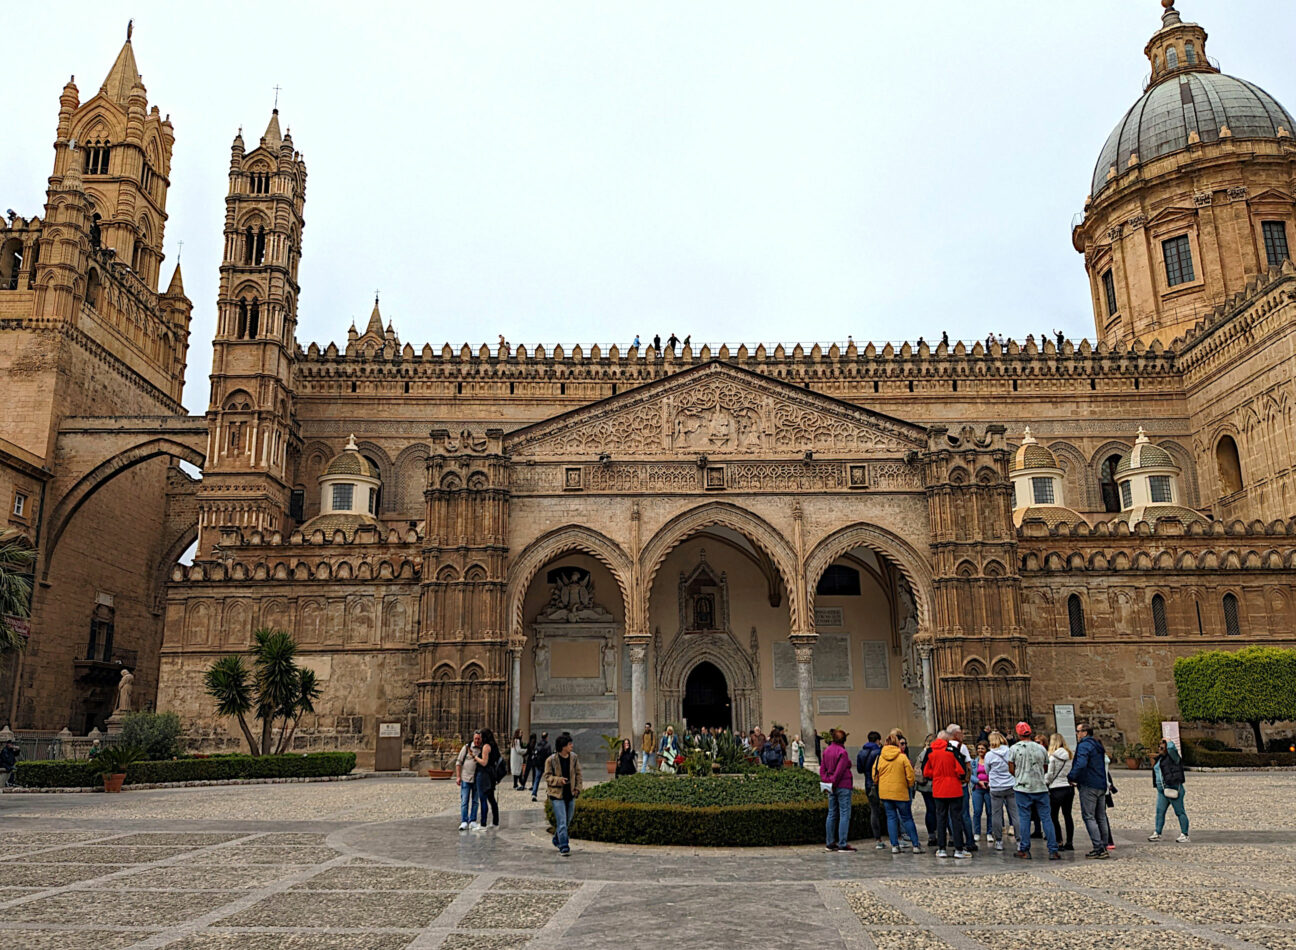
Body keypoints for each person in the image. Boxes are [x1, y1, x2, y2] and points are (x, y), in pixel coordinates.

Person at [1007, 722, 1059, 860]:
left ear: (1018, 734)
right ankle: (1053, 850)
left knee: (1024, 818)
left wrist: (1019, 775)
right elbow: (1046, 767)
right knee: (1046, 818)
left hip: (1022, 787)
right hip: (1040, 786)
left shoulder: (1014, 748)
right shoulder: (1040, 748)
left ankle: (1024, 849)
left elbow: (1011, 768)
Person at [873, 733, 924, 854]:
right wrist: (909, 785)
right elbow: (910, 776)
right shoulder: (902, 757)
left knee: (891, 818)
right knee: (907, 818)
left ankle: (894, 845)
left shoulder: (879, 758)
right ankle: (916, 845)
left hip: (885, 793)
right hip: (901, 792)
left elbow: (874, 776)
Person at [1068, 721, 1111, 859]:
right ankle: (1104, 845)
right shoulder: (1097, 745)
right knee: (1101, 816)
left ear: (1085, 732)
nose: (1077, 734)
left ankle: (1098, 847)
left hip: (1089, 784)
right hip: (1101, 783)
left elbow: (1081, 763)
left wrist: (1072, 776)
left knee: (1089, 816)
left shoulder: (1084, 745)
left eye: (1078, 731)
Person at [923, 733, 969, 858]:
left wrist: (936, 774)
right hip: (954, 788)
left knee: (940, 818)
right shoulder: (952, 751)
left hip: (938, 789)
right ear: (947, 740)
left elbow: (926, 772)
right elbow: (961, 771)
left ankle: (942, 848)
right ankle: (958, 849)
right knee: (956, 818)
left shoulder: (930, 751)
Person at [544, 734, 583, 856]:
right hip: (556, 795)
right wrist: (558, 780)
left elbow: (578, 774)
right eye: (569, 744)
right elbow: (547, 776)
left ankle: (557, 838)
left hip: (570, 794)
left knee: (567, 820)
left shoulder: (574, 758)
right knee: (562, 821)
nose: (572, 746)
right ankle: (564, 846)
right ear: (563, 746)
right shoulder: (551, 760)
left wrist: (577, 788)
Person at [1149, 738, 1190, 843]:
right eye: (1159, 746)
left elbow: (1171, 748)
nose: (1160, 749)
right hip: (1162, 790)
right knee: (1160, 811)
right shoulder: (1160, 759)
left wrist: (1168, 740)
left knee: (1179, 811)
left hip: (1173, 788)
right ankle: (1157, 832)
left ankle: (1185, 834)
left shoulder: (1174, 758)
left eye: (1162, 747)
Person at [820, 728, 855, 852]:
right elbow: (840, 771)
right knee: (844, 814)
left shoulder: (827, 750)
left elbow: (822, 768)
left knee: (831, 813)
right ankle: (842, 843)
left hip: (830, 786)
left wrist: (827, 781)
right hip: (843, 785)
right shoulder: (842, 752)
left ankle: (829, 842)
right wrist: (834, 781)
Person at [945, 724, 978, 852]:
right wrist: (967, 780)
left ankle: (955, 839)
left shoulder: (944, 747)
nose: (963, 735)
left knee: (950, 814)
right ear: (955, 734)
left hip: (948, 785)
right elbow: (968, 766)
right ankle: (969, 841)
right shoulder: (961, 747)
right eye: (961, 733)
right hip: (961, 785)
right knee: (964, 814)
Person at [985, 731, 1016, 850]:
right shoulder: (1010, 751)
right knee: (1014, 814)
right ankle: (1019, 840)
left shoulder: (989, 755)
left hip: (996, 787)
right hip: (1010, 785)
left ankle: (998, 841)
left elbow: (988, 771)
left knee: (996, 814)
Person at [1045, 733, 1075, 851]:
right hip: (1068, 787)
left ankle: (1059, 841)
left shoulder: (1052, 757)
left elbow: (1050, 774)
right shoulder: (1070, 755)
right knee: (1067, 815)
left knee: (1054, 816)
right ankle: (1070, 841)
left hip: (1056, 788)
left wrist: (1046, 782)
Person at [856, 731, 886, 850]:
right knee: (889, 810)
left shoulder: (861, 752)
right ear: (878, 740)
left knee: (874, 811)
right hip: (881, 783)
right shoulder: (879, 752)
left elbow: (859, 770)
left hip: (868, 783)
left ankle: (877, 838)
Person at [472, 728, 501, 830]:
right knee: (492, 799)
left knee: (483, 799)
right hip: (491, 775)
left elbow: (484, 762)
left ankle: (483, 824)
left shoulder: (486, 747)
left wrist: (475, 757)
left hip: (484, 775)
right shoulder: (494, 746)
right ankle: (495, 822)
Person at [914, 734, 938, 847]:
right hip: (933, 784)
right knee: (938, 810)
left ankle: (931, 835)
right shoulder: (933, 753)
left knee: (930, 809)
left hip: (924, 786)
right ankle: (937, 833)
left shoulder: (922, 753)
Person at [455, 732, 481, 831]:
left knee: (475, 801)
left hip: (477, 779)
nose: (477, 741)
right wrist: (458, 777)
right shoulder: (466, 748)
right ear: (473, 739)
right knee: (464, 801)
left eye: (479, 739)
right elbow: (458, 762)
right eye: (476, 739)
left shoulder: (482, 749)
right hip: (466, 778)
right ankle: (464, 821)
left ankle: (473, 820)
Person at [971, 741, 991, 844]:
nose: (980, 750)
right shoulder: (974, 762)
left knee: (989, 812)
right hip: (977, 789)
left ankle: (989, 832)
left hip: (988, 789)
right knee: (977, 811)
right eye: (978, 748)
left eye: (982, 748)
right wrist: (978, 781)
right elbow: (970, 775)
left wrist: (989, 782)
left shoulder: (990, 761)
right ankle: (977, 832)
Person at [529, 732, 551, 800]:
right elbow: (549, 755)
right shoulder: (548, 745)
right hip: (545, 765)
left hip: (538, 765)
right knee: (549, 780)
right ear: (546, 737)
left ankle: (534, 794)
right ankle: (550, 793)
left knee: (537, 779)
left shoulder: (537, 745)